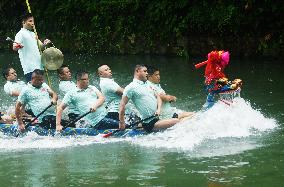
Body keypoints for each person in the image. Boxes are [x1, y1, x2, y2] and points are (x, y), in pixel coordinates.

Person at [119, 64, 180, 133]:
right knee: (176, 121)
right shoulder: (131, 87)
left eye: (147, 71)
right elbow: (122, 104)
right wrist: (121, 122)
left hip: (158, 118)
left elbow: (158, 97)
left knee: (178, 119)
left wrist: (159, 109)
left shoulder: (148, 84)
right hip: (149, 122)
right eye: (145, 71)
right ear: (137, 71)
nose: (147, 73)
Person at [13, 13, 51, 82]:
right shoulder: (20, 33)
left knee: (42, 90)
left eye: (33, 21)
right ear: (24, 22)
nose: (32, 23)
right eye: (30, 21)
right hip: (30, 68)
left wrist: (45, 44)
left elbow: (41, 46)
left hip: (40, 66)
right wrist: (18, 45)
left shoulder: (33, 34)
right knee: (34, 91)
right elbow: (14, 47)